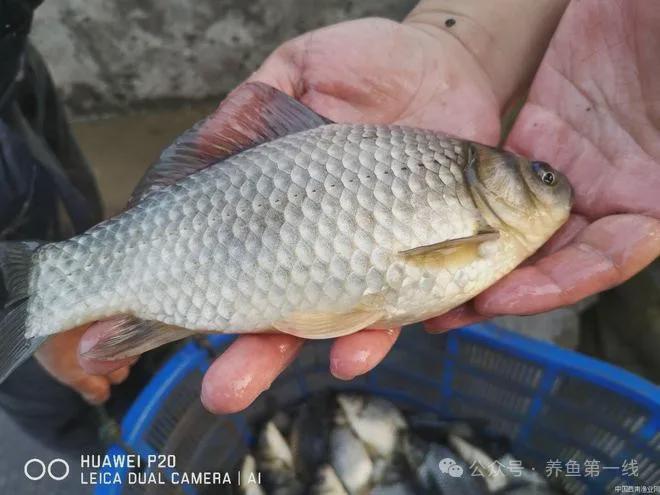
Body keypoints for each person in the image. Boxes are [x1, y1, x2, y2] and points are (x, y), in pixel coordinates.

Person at [2, 0, 658, 449]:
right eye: (540, 178)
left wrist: (461, 34)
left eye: (543, 178)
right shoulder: (475, 219)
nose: (552, 187)